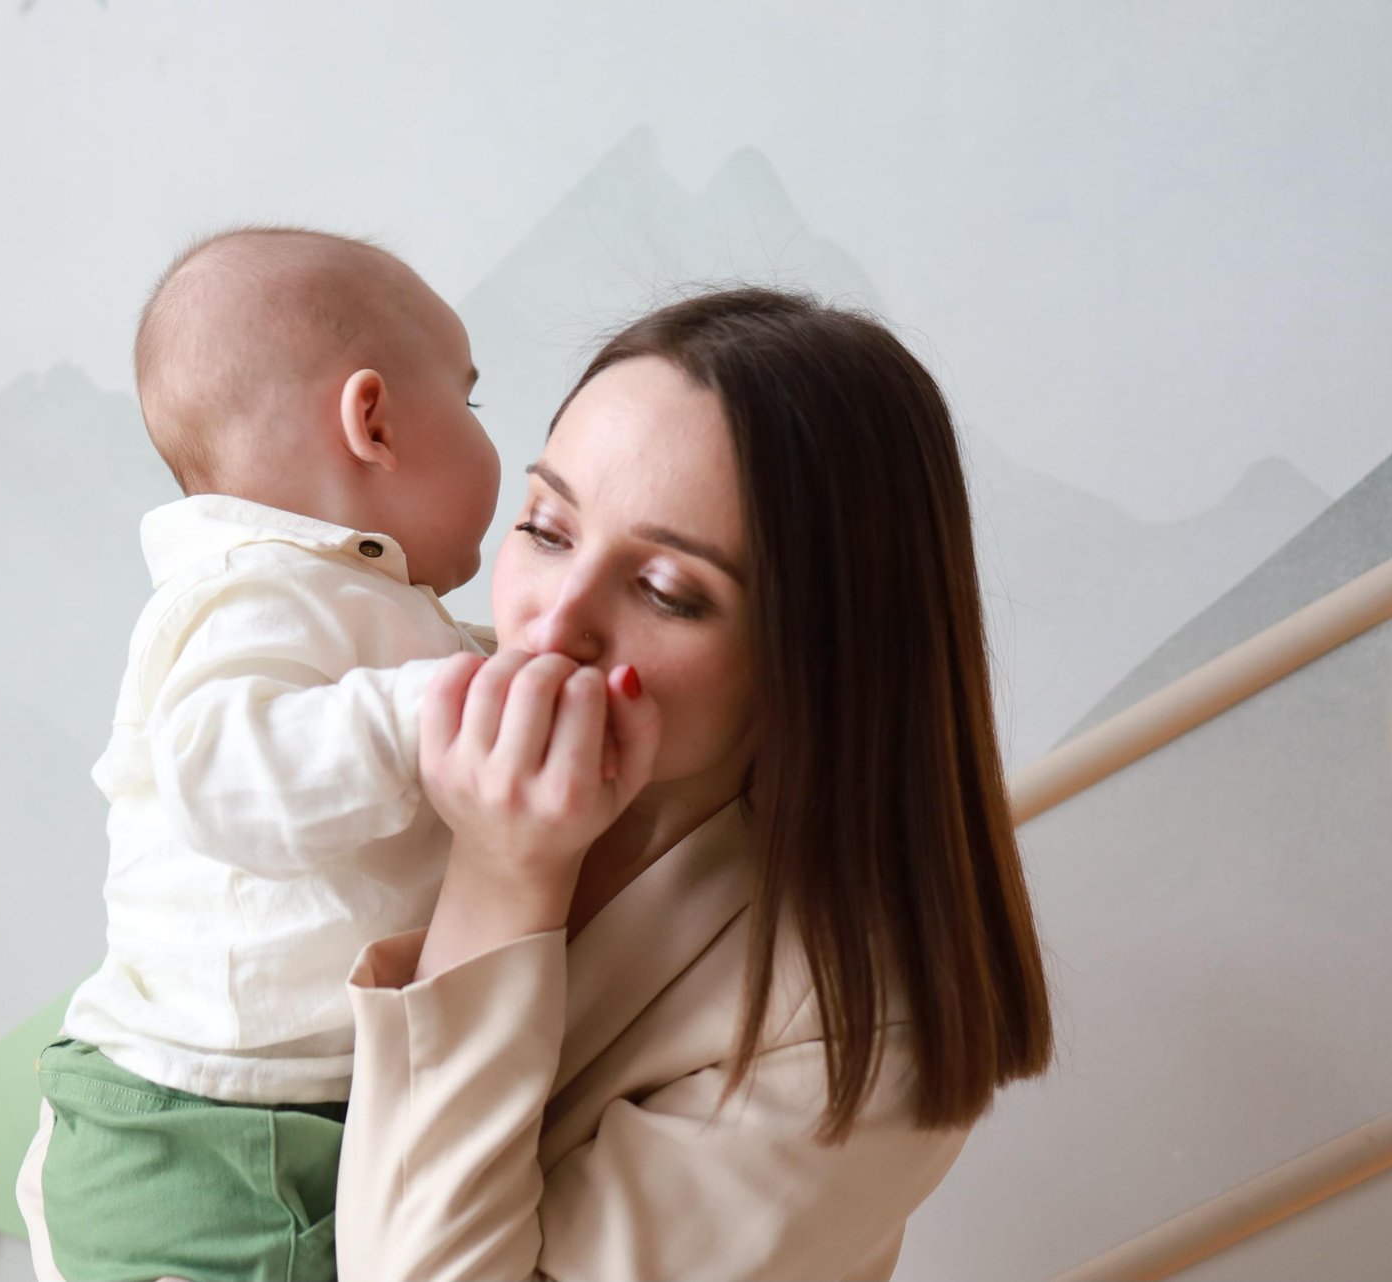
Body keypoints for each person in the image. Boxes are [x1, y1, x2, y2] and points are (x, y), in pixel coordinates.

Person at [334, 287, 1055, 1280]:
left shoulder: (859, 1035)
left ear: (819, 656)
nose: (554, 624)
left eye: (668, 591)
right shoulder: (393, 706)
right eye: (546, 529)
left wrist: (504, 878)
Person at [16, 226, 504, 1282]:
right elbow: (225, 775)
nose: (488, 437)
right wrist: (448, 703)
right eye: (474, 401)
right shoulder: (250, 592)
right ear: (374, 422)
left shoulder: (360, 600)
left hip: (262, 1113)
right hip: (205, 1131)